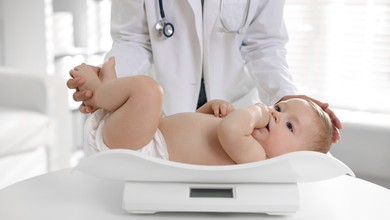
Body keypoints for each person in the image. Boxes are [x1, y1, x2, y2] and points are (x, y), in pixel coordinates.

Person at [67, 0, 342, 142]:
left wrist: (288, 100)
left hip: (235, 109)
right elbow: (133, 38)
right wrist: (109, 86)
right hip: (158, 116)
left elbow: (264, 44)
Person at [71, 57, 334, 165]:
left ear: (293, 159)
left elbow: (229, 129)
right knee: (147, 93)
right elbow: (196, 128)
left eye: (289, 126)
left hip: (142, 147)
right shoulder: (246, 135)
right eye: (279, 108)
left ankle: (99, 92)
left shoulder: (257, 158)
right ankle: (108, 89)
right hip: (147, 134)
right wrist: (210, 110)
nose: (276, 115)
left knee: (149, 91)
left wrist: (256, 110)